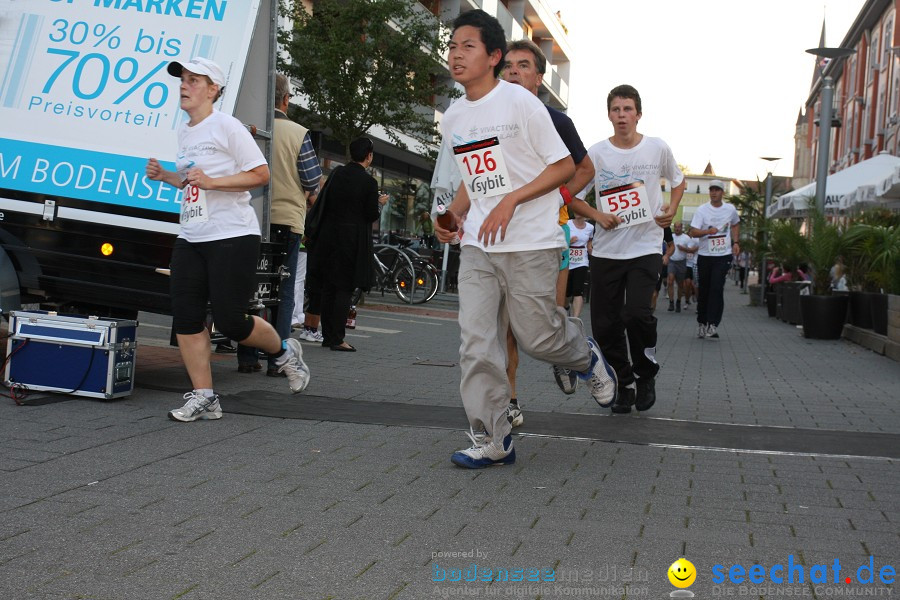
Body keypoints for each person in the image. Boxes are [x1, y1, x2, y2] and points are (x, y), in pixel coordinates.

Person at [434, 10, 617, 469]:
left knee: (537, 339)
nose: (456, 53)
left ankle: (585, 356)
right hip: (478, 243)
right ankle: (494, 437)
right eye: (453, 45)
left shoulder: (521, 104)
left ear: (494, 56)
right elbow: (471, 178)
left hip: (531, 240)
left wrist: (511, 200)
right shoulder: (454, 115)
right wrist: (454, 215)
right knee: (476, 342)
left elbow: (562, 168)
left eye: (468, 46)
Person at [145, 58, 310, 422]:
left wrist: (213, 183)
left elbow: (261, 174)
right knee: (186, 317)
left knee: (232, 321)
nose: (184, 86)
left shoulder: (228, 127)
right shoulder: (185, 131)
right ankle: (205, 396)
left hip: (233, 234)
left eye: (193, 80)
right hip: (192, 234)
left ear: (213, 89)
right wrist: (167, 177)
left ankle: (284, 352)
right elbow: (193, 182)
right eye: (182, 80)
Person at [500, 38, 598, 428]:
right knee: (503, 328)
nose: (513, 72)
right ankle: (509, 400)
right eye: (507, 65)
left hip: (546, 237)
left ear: (539, 78)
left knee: (546, 322)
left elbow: (585, 169)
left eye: (523, 66)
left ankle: (574, 355)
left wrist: (557, 198)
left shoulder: (556, 121)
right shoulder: (491, 120)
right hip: (502, 239)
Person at [579, 84, 684, 415]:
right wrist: (598, 216)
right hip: (607, 250)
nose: (621, 115)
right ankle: (622, 383)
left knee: (636, 314)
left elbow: (678, 181)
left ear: (639, 114)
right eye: (616, 109)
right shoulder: (596, 153)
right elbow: (573, 196)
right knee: (605, 324)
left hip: (646, 245)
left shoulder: (656, 148)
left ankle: (645, 374)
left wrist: (672, 207)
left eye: (627, 109)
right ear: (608, 114)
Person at [237, 73, 322, 375]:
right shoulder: (299, 133)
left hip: (250, 218)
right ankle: (277, 359)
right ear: (286, 99)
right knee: (283, 292)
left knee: (251, 288)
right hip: (287, 221)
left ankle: (247, 358)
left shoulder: (249, 130)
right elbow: (312, 180)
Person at [308, 137, 387, 352]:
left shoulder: (336, 174)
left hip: (328, 238)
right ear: (368, 156)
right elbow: (370, 214)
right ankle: (337, 338)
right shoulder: (369, 183)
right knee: (343, 288)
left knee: (328, 288)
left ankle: (327, 336)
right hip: (351, 241)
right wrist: (379, 203)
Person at [689, 179, 740, 340]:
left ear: (722, 192)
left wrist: (736, 242)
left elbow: (736, 224)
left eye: (717, 190)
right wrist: (707, 232)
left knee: (717, 288)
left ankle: (713, 324)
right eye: (712, 189)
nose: (714, 192)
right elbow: (692, 232)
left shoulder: (730, 209)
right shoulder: (702, 210)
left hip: (722, 255)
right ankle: (702, 323)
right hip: (705, 255)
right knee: (704, 290)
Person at [566, 212, 594, 318]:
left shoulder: (590, 227)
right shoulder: (567, 224)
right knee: (567, 292)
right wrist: (569, 241)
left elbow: (589, 242)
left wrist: (590, 248)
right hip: (567, 261)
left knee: (578, 290)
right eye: (576, 210)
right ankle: (565, 310)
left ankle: (575, 318)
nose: (577, 212)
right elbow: (559, 240)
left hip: (582, 262)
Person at [667, 222, 696, 313]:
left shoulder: (686, 238)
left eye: (679, 227)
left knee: (680, 284)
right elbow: (667, 247)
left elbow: (691, 251)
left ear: (681, 228)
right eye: (675, 227)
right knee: (670, 280)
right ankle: (671, 302)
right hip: (672, 261)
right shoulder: (671, 236)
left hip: (682, 262)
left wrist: (684, 249)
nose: (677, 229)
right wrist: (666, 256)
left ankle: (678, 302)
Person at [651, 228, 675, 312]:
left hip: (657, 263)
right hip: (638, 264)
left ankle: (650, 313)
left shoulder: (663, 225)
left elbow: (671, 246)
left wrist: (667, 255)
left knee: (654, 293)